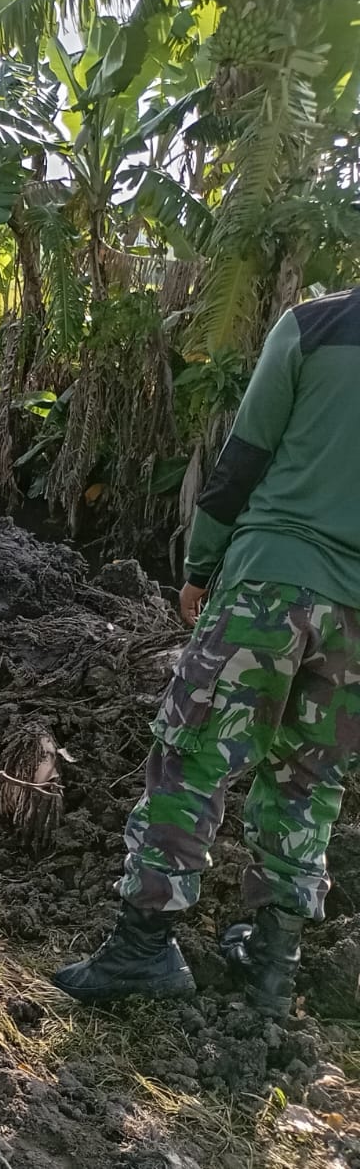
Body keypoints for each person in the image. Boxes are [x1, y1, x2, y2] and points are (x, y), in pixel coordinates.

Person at [52, 284, 360, 1017]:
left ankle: (142, 946)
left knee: (192, 756)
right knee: (309, 778)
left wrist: (200, 564)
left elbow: (245, 453)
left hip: (272, 579)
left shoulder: (315, 326)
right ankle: (272, 960)